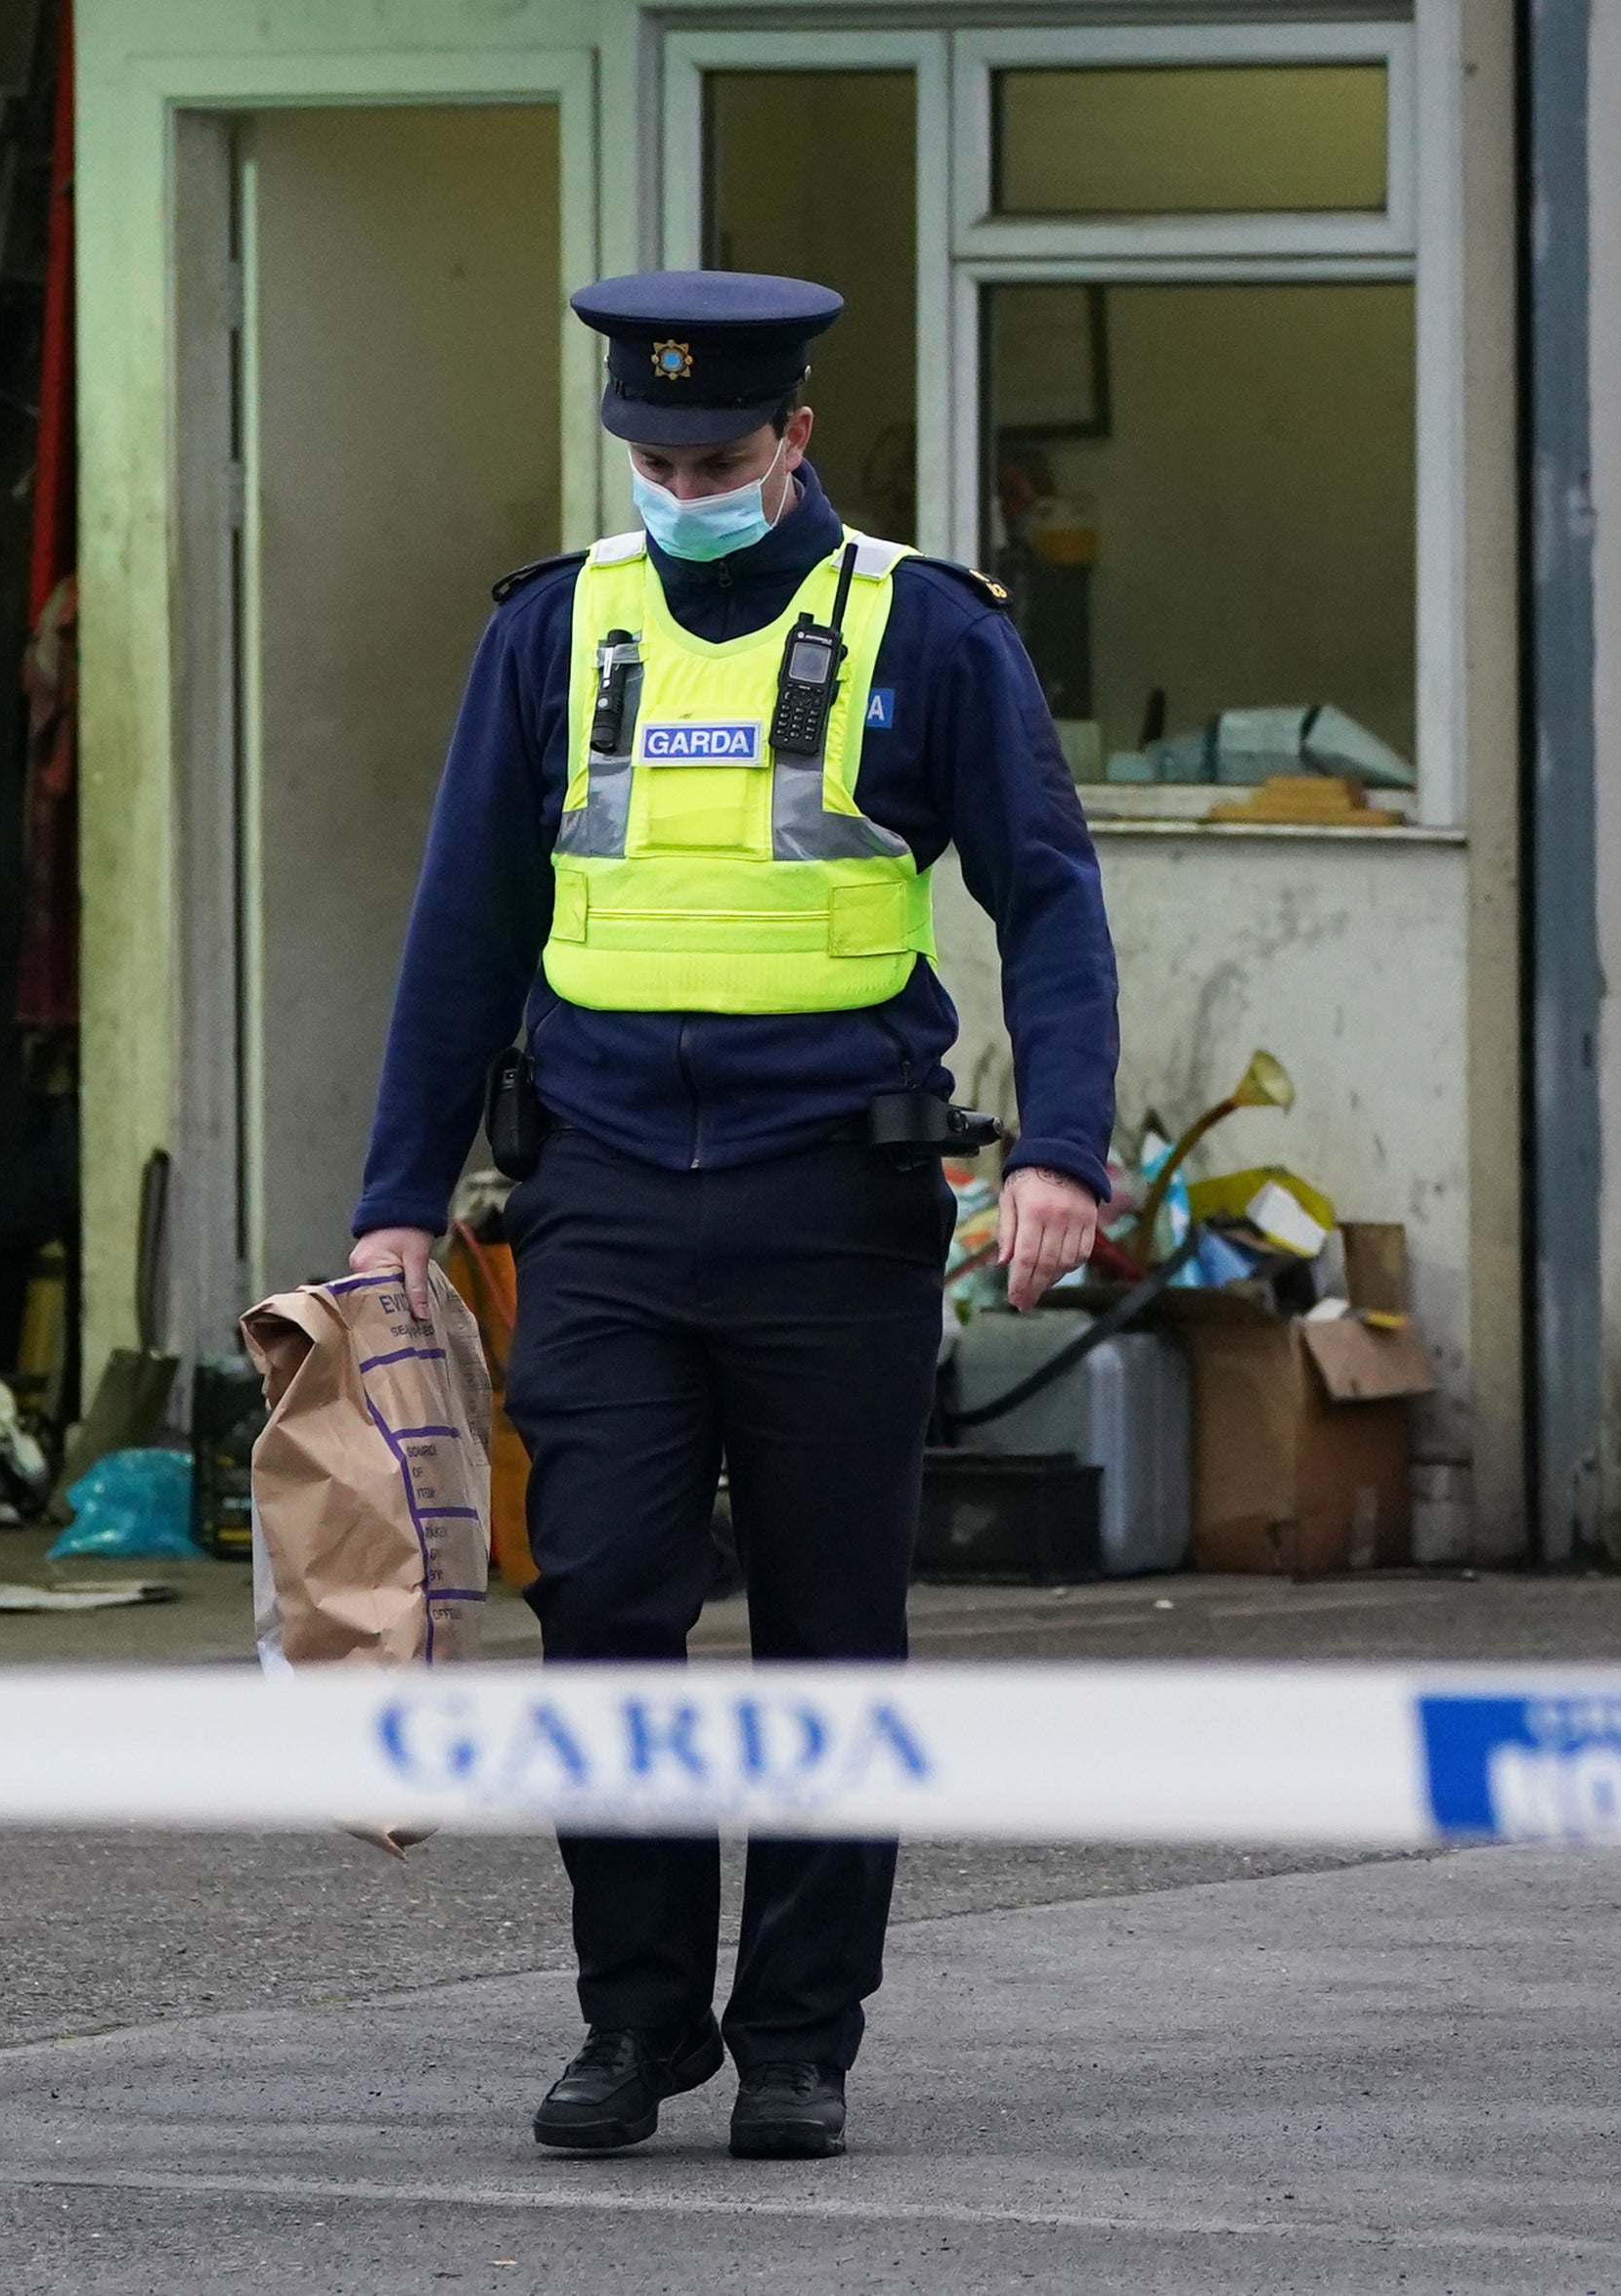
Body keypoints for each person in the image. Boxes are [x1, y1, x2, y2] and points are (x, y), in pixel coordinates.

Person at [346, 271, 1117, 2162]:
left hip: (836, 1203)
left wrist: (1061, 1154)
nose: (679, 484)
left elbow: (1051, 896)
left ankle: (797, 2037)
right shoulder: (556, 629)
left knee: (831, 1628)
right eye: (652, 455)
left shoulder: (924, 632)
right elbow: (463, 933)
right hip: (597, 1199)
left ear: (794, 440)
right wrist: (393, 1208)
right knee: (601, 1591)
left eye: (714, 453)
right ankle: (637, 2020)